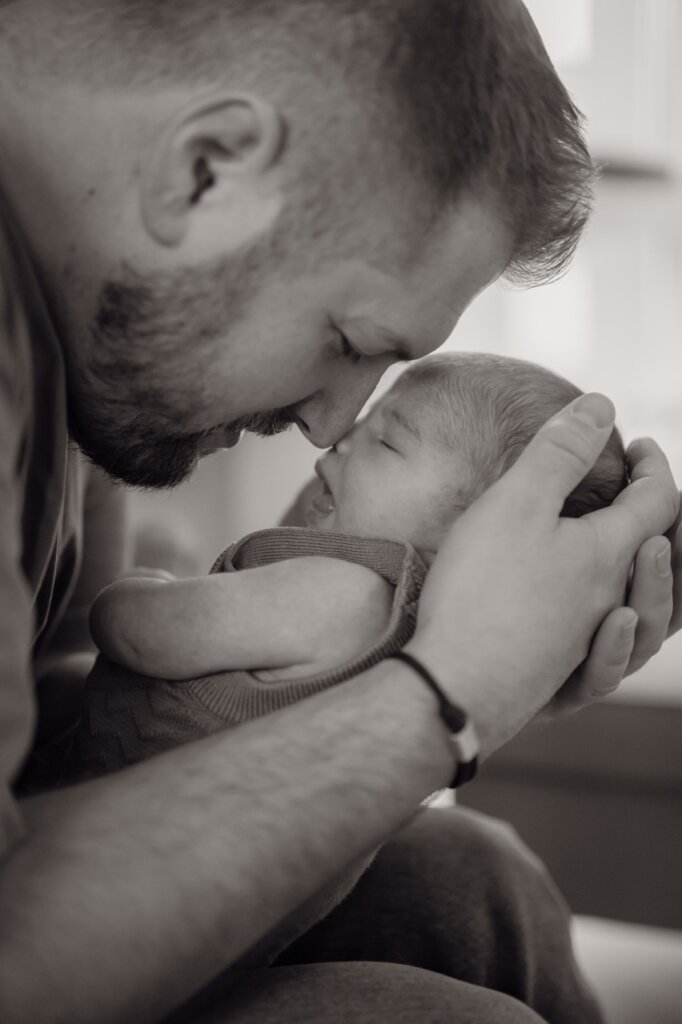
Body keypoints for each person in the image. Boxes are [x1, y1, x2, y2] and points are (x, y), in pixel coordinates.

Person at [0, 3, 680, 1023]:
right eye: (351, 337)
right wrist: (445, 694)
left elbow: (49, 744)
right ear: (208, 168)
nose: (330, 423)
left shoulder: (72, 347)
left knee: (470, 875)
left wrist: (480, 656)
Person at [58, 352, 630, 782]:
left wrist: (146, 583)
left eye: (387, 442)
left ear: (482, 528)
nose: (339, 441)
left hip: (116, 828)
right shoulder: (412, 631)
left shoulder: (344, 595)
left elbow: (134, 631)